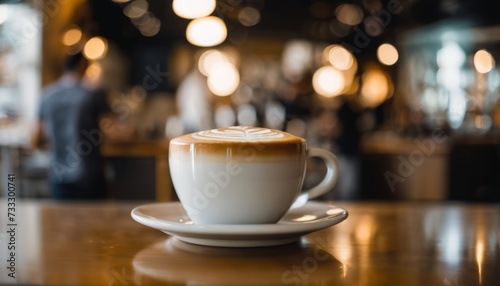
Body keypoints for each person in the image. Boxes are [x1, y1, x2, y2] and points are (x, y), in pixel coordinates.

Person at [32, 52, 109, 200]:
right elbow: (111, 128)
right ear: (81, 66)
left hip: (58, 175)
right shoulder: (92, 95)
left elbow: (35, 138)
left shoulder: (46, 95)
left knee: (62, 221)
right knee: (95, 221)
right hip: (90, 176)